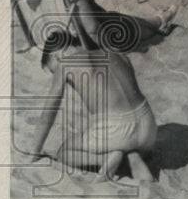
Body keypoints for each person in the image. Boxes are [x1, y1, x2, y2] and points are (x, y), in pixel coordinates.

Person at [26, 15, 157, 182]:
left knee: (65, 152)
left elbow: (48, 114)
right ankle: (132, 156)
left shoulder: (65, 64)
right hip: (148, 126)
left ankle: (106, 159)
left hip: (115, 130)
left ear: (55, 56)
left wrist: (34, 153)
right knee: (125, 140)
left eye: (53, 69)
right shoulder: (116, 53)